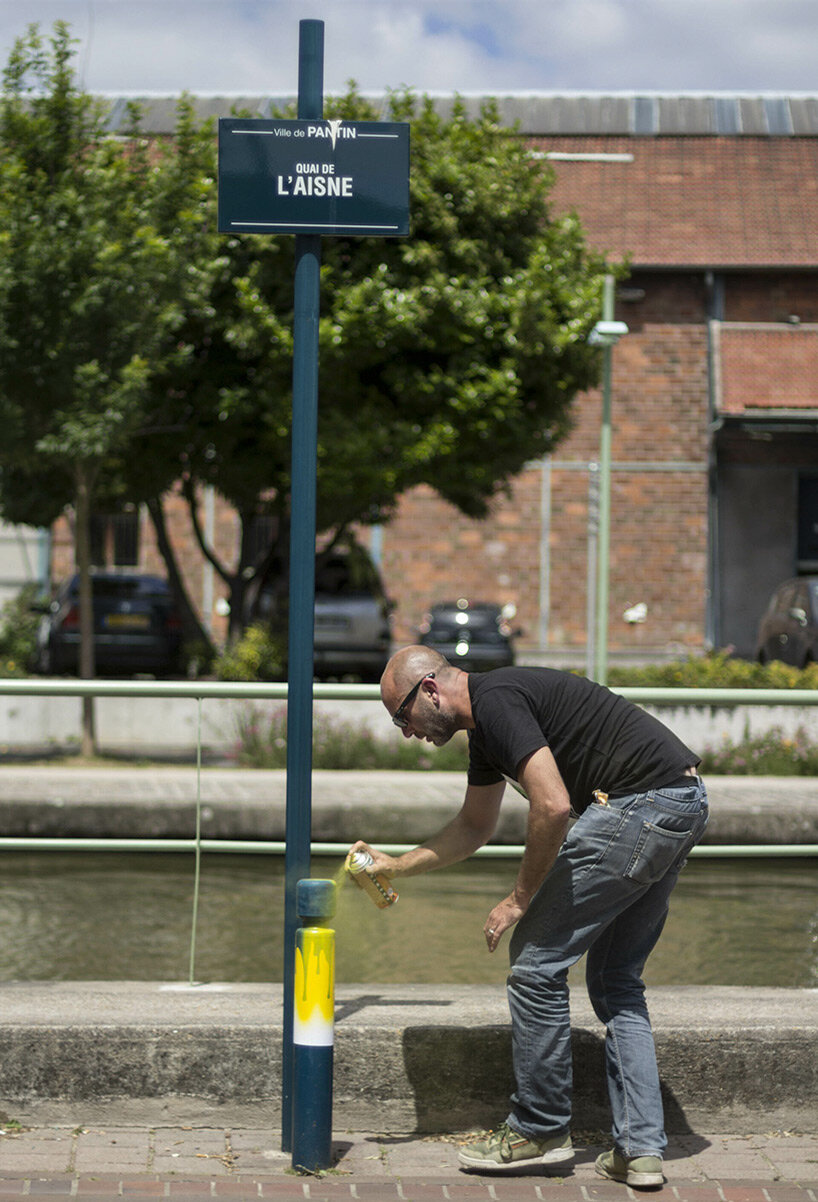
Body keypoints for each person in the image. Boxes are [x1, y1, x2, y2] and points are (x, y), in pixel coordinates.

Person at [349, 645, 709, 1186]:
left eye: (402, 715)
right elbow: (474, 826)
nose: (406, 732)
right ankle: (640, 1151)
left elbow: (554, 805)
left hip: (638, 805)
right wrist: (395, 865)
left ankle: (537, 1130)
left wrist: (520, 899)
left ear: (429, 689)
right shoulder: (487, 733)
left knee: (534, 965)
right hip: (682, 801)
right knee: (615, 979)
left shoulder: (496, 701)